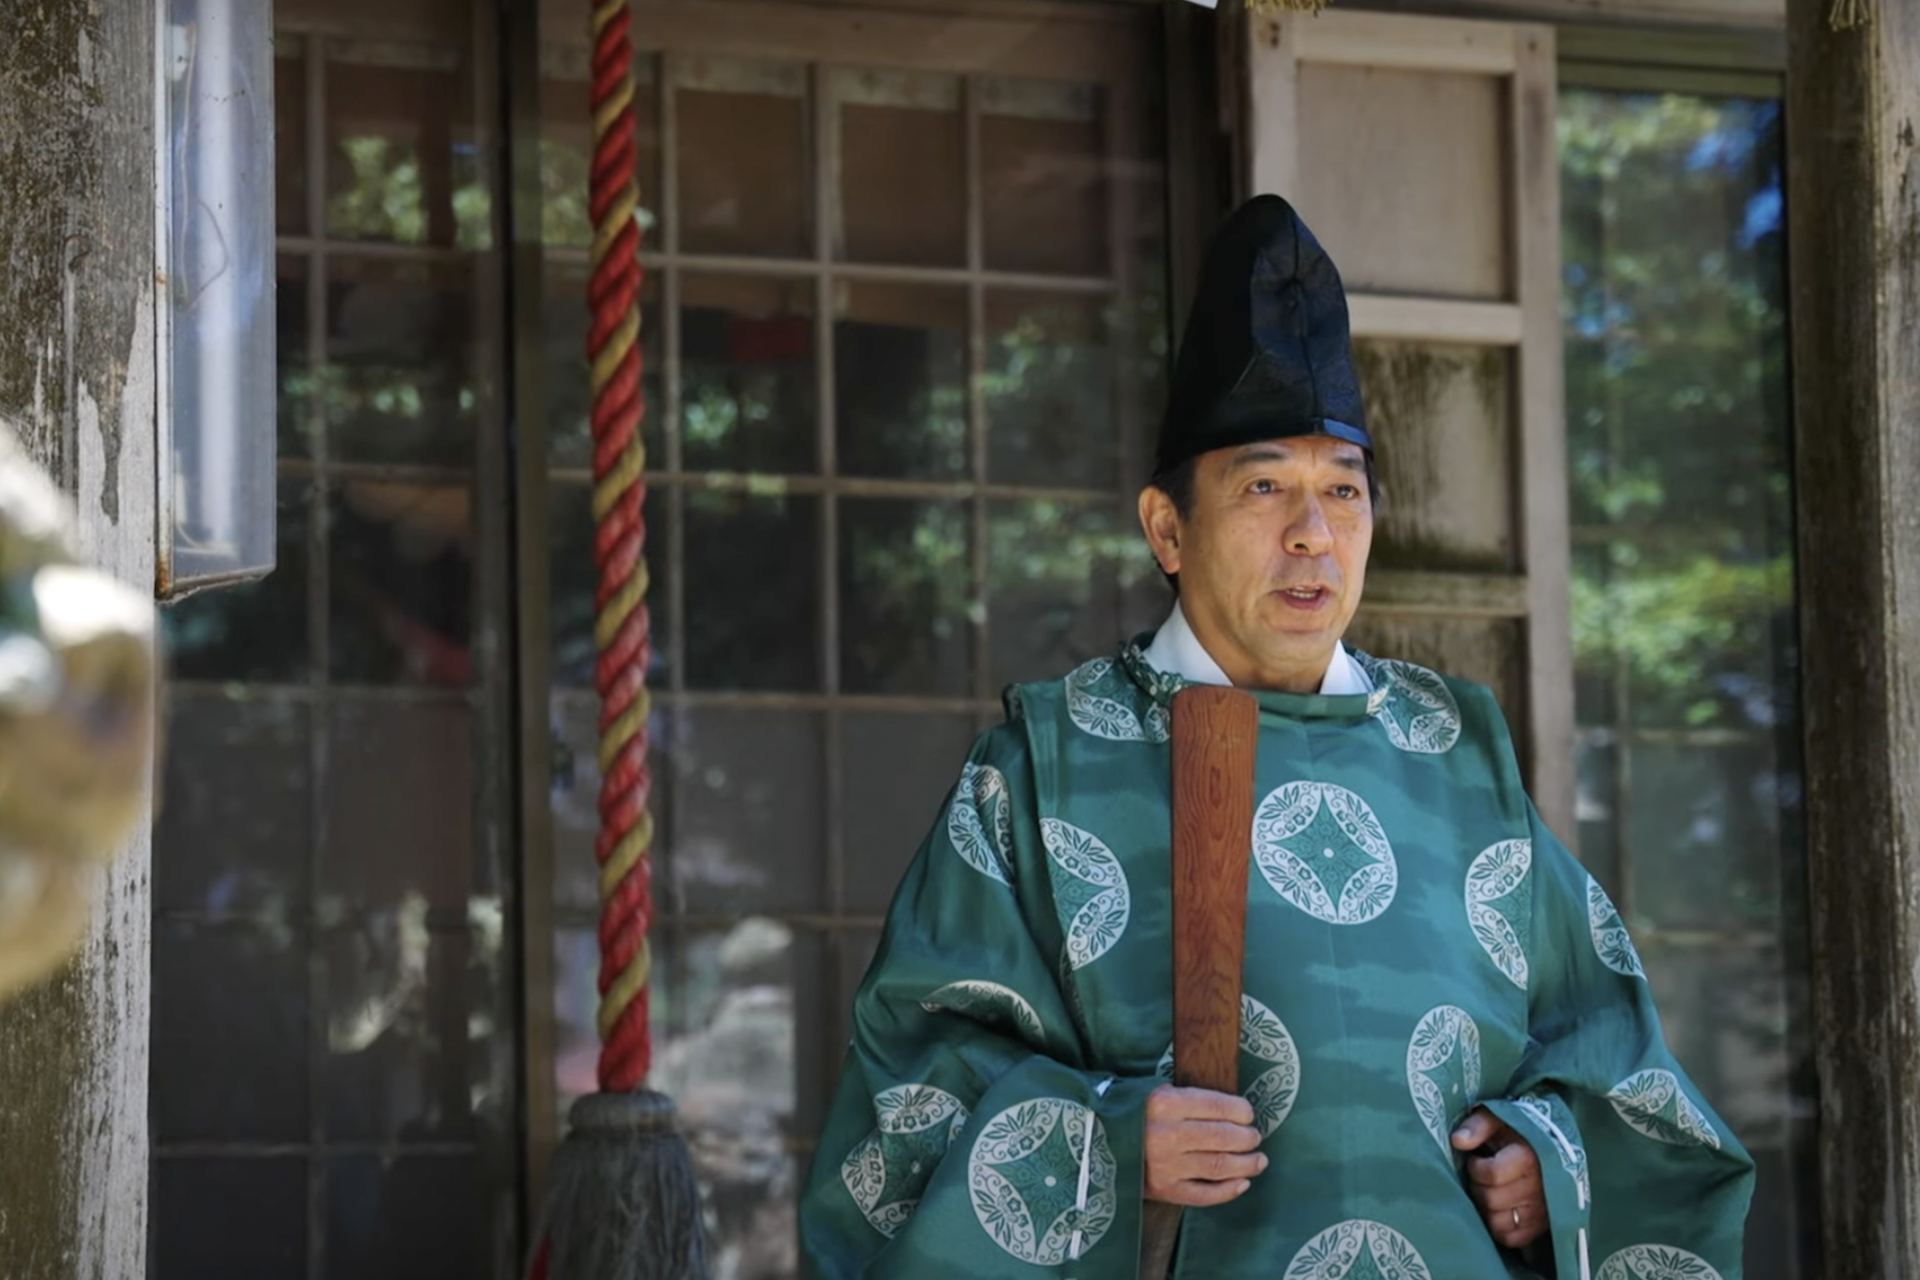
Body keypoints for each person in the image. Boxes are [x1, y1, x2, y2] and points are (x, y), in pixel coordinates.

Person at [798, 195, 1754, 1279]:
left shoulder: (1454, 754)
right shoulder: (1041, 769)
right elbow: (908, 1099)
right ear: (1168, 527)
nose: (1313, 534)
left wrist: (1551, 1161)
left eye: (1342, 491)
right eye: (1264, 487)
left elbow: (1610, 1055)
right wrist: (1106, 1143)